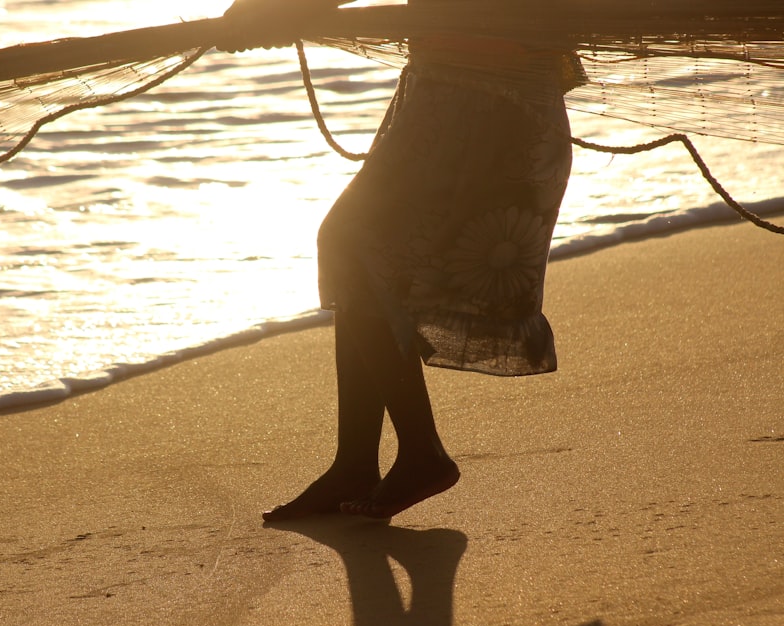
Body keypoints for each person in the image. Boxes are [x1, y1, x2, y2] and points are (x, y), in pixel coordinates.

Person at [220, 0, 583, 520]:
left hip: (485, 101)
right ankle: (356, 463)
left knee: (350, 244)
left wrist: (270, 10)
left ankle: (419, 454)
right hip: (455, 91)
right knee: (356, 254)